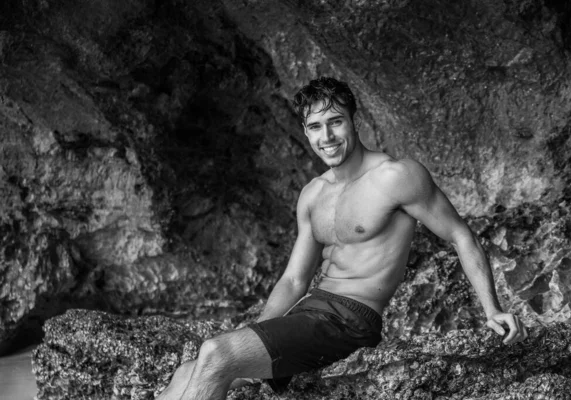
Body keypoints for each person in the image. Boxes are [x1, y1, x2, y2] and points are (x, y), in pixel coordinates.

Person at [157, 76, 528, 400]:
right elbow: (294, 279)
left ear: (354, 121)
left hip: (351, 321)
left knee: (216, 353)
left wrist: (492, 308)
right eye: (316, 126)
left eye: (336, 122)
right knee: (187, 373)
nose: (327, 136)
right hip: (308, 316)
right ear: (305, 132)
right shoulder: (313, 195)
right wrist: (258, 331)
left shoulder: (395, 176)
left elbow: (461, 236)